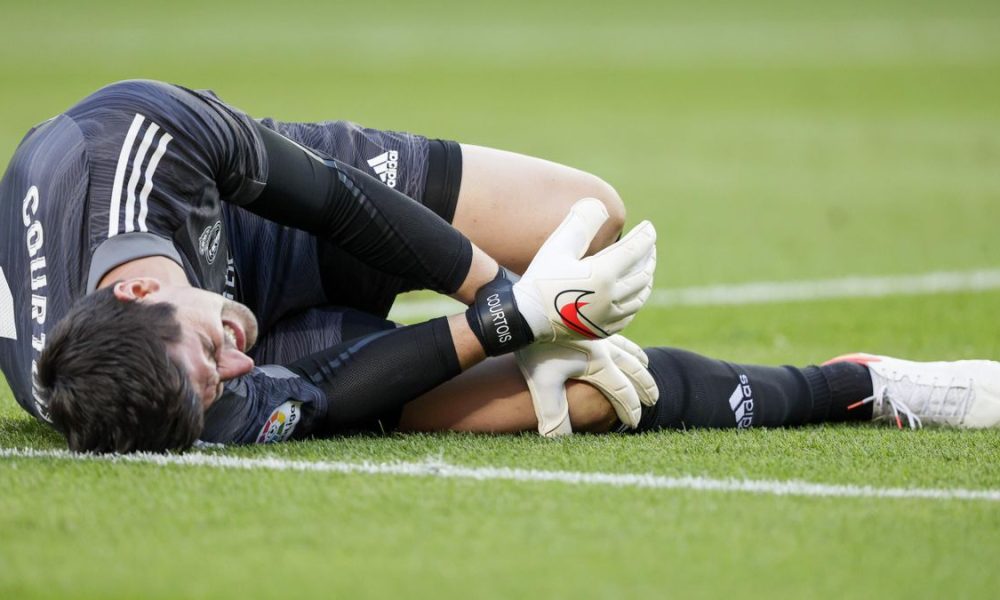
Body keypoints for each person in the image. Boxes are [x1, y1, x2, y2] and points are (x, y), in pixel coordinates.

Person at [1, 80, 997, 454]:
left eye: (208, 355)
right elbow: (327, 402)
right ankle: (863, 386)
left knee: (589, 219)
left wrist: (498, 290)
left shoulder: (140, 134)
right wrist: (511, 332)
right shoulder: (149, 403)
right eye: (216, 386)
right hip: (297, 320)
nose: (231, 368)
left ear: (137, 290)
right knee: (590, 393)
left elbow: (332, 196)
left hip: (292, 217)